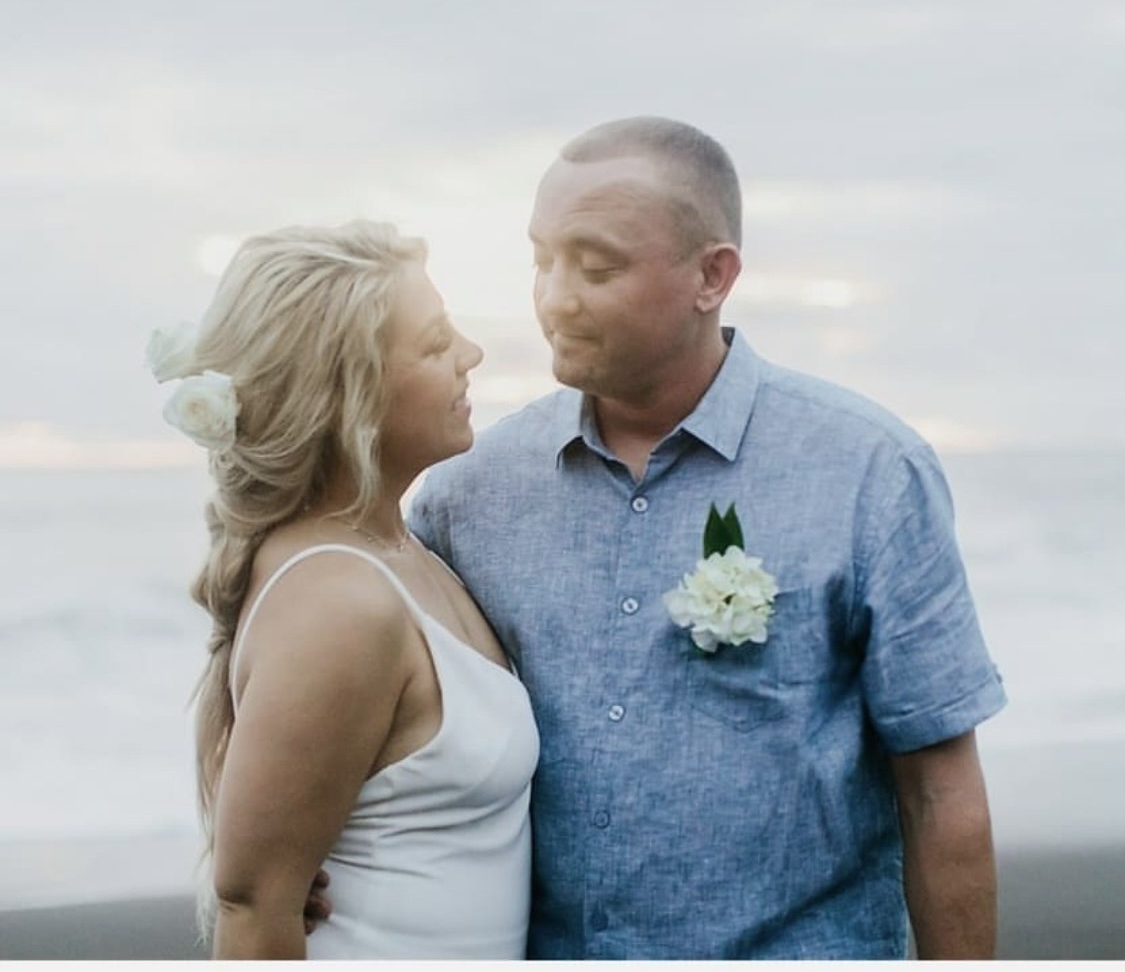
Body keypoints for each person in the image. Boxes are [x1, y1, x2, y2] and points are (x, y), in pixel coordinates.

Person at [399, 117, 1007, 959]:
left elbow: (939, 792)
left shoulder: (869, 470)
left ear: (711, 276)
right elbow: (373, 703)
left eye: (597, 265)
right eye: (541, 259)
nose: (554, 297)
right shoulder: (467, 495)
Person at [149, 220, 539, 959]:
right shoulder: (340, 603)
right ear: (348, 395)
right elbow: (253, 912)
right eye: (433, 345)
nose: (471, 356)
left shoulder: (403, 550)